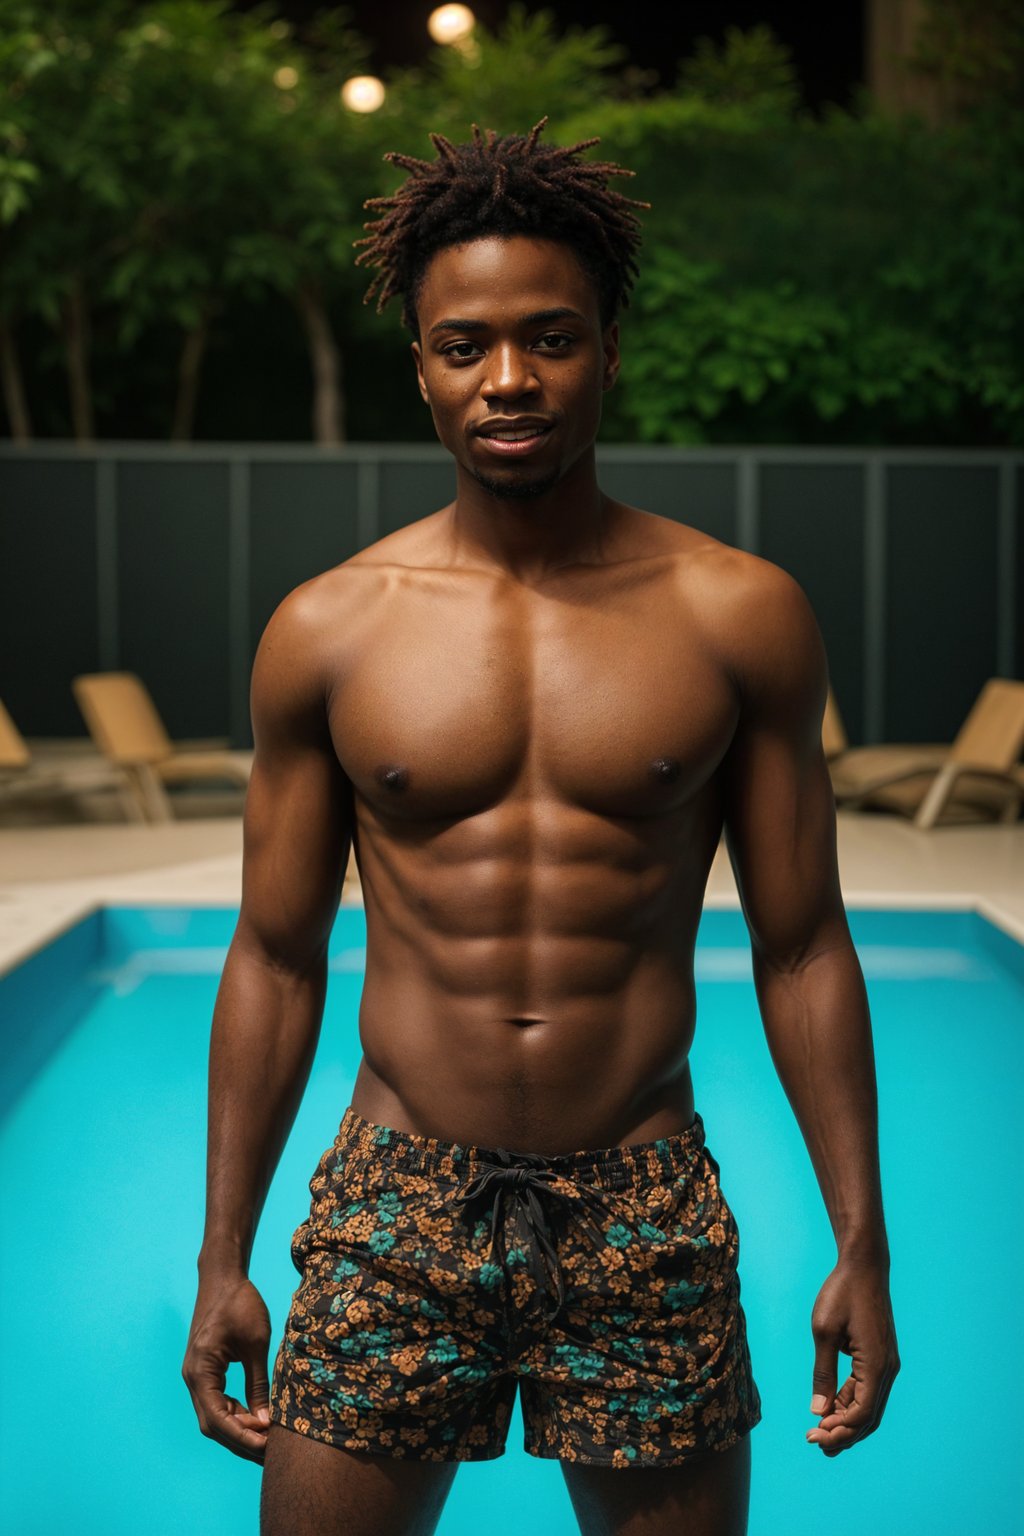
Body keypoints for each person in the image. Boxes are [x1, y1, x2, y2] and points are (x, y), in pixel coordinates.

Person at [182, 120, 899, 1536]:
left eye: (550, 337)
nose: (508, 378)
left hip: (643, 1200)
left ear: (609, 350)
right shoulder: (328, 631)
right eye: (466, 346)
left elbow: (803, 944)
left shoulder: (737, 616)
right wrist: (222, 1253)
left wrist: (862, 1238)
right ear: (423, 372)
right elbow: (272, 958)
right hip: (398, 1196)